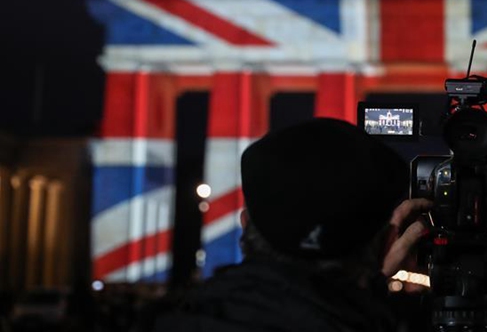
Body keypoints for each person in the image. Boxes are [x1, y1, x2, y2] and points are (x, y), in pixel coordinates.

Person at [154, 118, 431, 332]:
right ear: (386, 243)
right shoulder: (369, 322)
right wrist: (373, 294)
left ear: (245, 223)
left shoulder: (167, 322)